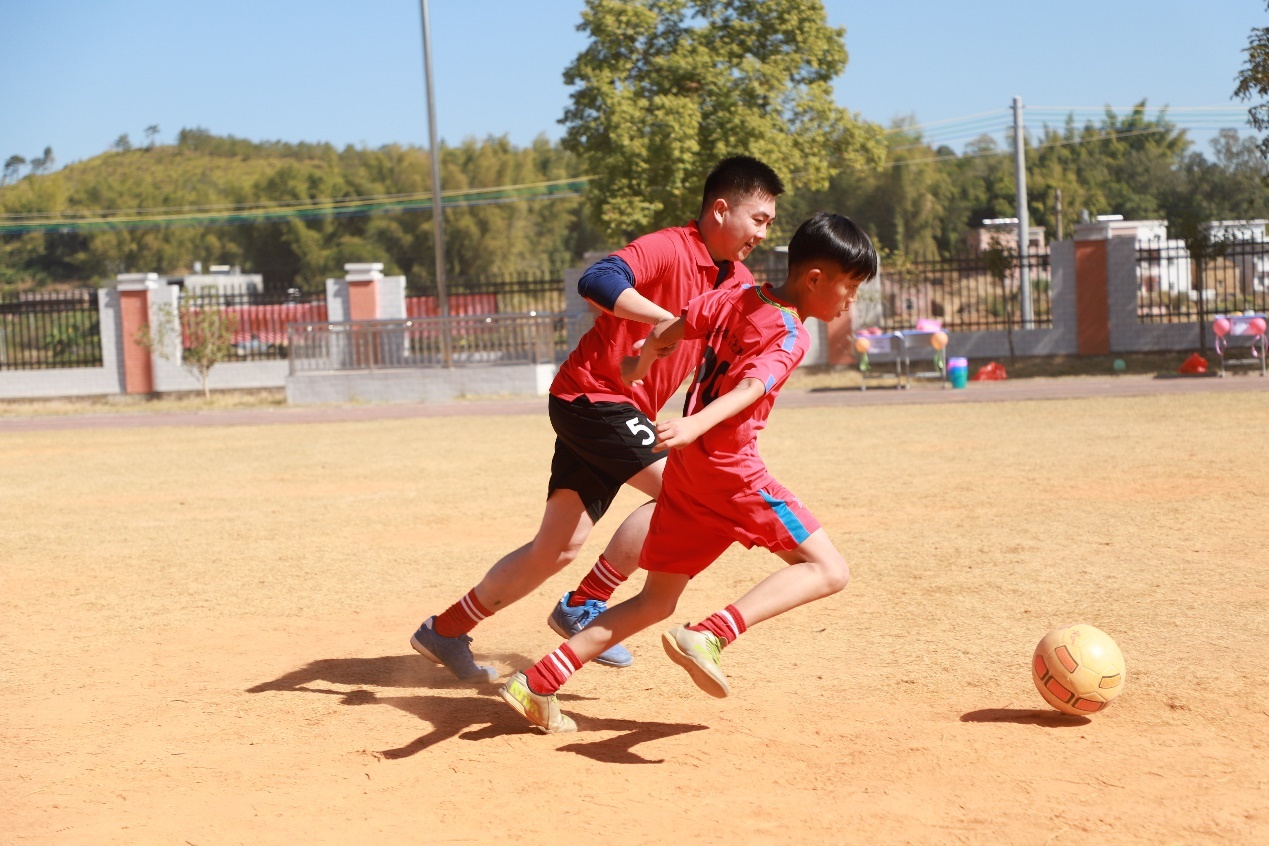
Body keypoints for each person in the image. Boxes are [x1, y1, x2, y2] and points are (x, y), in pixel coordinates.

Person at [498, 212, 878, 733]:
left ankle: (536, 682)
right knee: (829, 569)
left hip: (687, 473)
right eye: (850, 286)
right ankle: (712, 634)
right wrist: (697, 421)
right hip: (729, 472)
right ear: (815, 279)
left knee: (655, 601)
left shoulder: (736, 296)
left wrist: (642, 362)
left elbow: (676, 326)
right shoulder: (790, 335)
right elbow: (751, 389)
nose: (851, 299)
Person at [409, 156, 786, 680]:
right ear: (721, 210)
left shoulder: (738, 280)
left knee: (555, 548)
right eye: (760, 219)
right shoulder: (668, 246)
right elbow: (598, 278)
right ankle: (586, 601)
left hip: (615, 409)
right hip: (595, 397)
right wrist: (667, 321)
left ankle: (444, 630)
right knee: (684, 489)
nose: (764, 233)